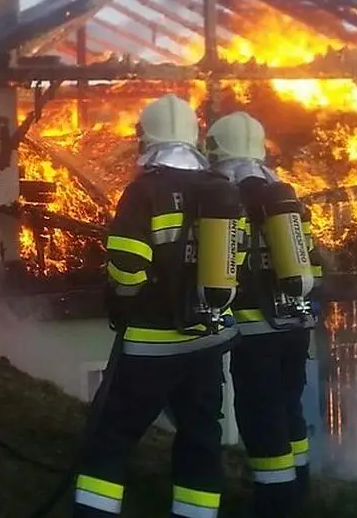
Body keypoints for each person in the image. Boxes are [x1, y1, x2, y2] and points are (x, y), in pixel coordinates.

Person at [72, 94, 244, 518]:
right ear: (194, 139)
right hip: (206, 342)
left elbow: (127, 267)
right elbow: (232, 261)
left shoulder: (143, 191)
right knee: (201, 439)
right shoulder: (222, 191)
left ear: (145, 140)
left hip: (151, 345)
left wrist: (125, 299)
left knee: (112, 435)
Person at [204, 111, 323, 518]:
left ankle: (274, 502)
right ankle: (299, 482)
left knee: (260, 413)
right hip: (296, 322)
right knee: (290, 405)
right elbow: (313, 261)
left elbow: (221, 264)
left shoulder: (227, 197)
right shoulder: (285, 197)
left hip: (255, 331)